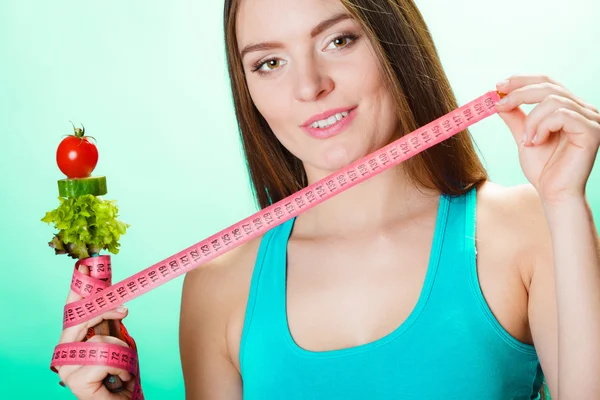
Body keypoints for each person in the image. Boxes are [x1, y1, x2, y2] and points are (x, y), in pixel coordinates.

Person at [54, 0, 600, 398]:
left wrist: (565, 202)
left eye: (338, 40)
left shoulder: (525, 226)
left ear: (392, 42)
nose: (309, 86)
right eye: (269, 62)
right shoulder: (219, 284)